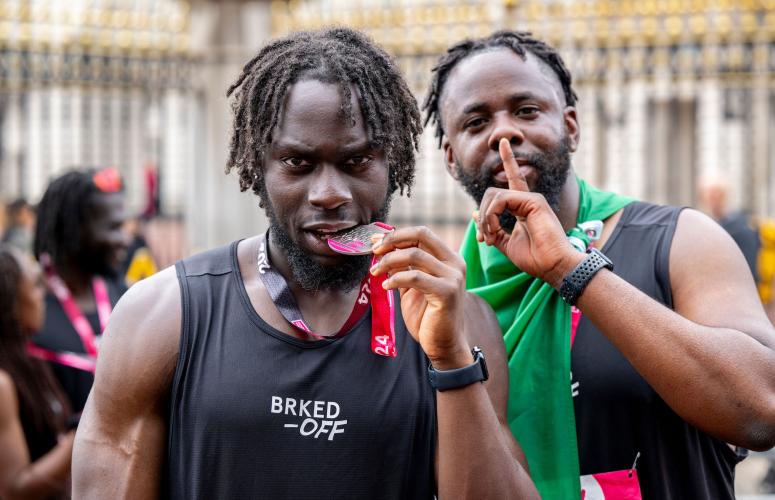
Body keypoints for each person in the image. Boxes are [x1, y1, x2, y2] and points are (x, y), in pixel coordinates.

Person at [72, 28, 539, 499]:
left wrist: (451, 359)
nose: (329, 194)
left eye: (357, 161)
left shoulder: (461, 322)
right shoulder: (161, 316)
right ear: (259, 166)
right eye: (298, 163)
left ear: (393, 164)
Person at [424, 30, 775, 499]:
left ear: (571, 125)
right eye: (475, 122)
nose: (504, 131)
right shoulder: (439, 301)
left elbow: (761, 408)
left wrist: (572, 270)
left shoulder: (677, 241)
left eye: (527, 111)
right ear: (450, 157)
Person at [31, 168, 129, 413]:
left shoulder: (125, 296)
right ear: (73, 229)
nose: (125, 239)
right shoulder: (29, 306)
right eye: (113, 227)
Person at [0, 245, 75, 499]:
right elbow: (13, 489)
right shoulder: (2, 383)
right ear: (10, 301)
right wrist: (80, 439)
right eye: (34, 285)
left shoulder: (28, 360)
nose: (42, 295)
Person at [697, 176, 760, 282]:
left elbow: (750, 266)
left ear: (725, 196)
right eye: (710, 196)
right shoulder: (701, 225)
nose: (714, 200)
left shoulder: (742, 226)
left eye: (717, 195)